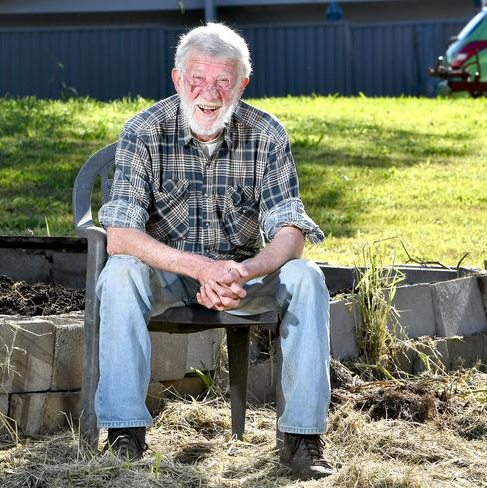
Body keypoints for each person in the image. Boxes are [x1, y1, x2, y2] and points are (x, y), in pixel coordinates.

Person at [95, 22, 334, 480]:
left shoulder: (267, 133)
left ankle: (304, 440)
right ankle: (125, 434)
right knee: (120, 272)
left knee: (308, 277)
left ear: (242, 83)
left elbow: (290, 229)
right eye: (197, 79)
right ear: (177, 80)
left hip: (242, 279)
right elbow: (120, 233)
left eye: (223, 80)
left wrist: (245, 271)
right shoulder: (144, 131)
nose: (210, 92)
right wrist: (201, 268)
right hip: (166, 276)